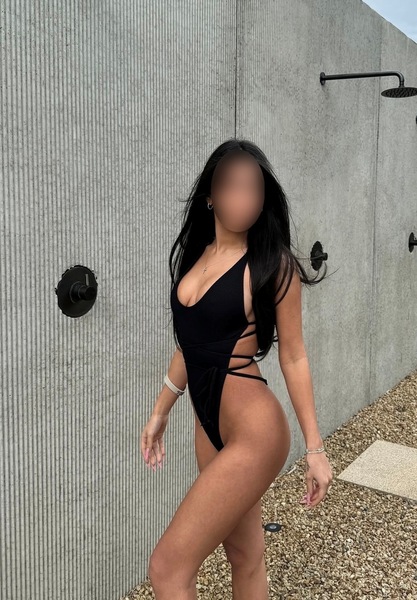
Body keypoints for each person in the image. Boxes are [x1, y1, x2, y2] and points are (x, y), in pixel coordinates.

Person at [141, 139, 333, 599]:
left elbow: (294, 356)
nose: (243, 199)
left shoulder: (273, 265)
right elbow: (190, 347)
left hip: (255, 429)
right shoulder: (197, 257)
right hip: (207, 425)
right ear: (211, 195)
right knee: (246, 555)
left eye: (253, 189)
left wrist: (315, 448)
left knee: (167, 568)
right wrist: (160, 412)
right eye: (232, 187)